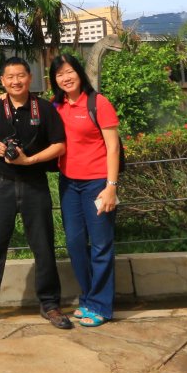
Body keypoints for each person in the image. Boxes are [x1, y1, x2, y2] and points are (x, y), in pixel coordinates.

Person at [0, 56, 72, 330]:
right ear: (3, 81)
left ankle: (50, 304)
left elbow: (60, 145)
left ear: (30, 78)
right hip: (1, 184)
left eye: (20, 76)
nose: (15, 81)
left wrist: (29, 161)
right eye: (10, 77)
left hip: (35, 184)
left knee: (43, 245)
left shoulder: (45, 109)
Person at [49, 53, 122, 328]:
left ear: (79, 73)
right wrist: (2, 100)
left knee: (101, 245)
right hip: (69, 184)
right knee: (75, 245)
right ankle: (88, 299)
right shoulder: (56, 106)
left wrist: (111, 187)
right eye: (59, 74)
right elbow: (31, 114)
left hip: (97, 184)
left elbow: (113, 147)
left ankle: (101, 306)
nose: (65, 78)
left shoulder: (98, 103)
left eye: (69, 72)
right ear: (54, 79)